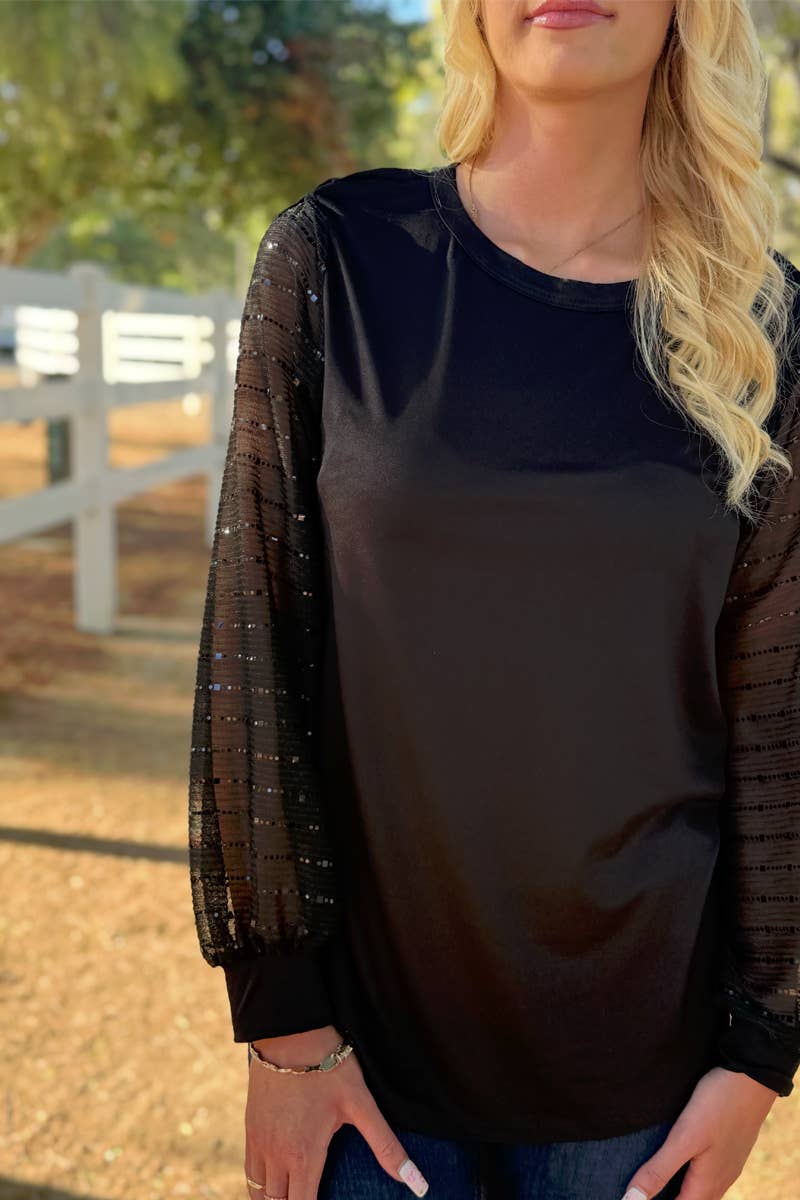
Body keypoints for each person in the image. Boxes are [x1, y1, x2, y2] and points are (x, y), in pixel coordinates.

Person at [187, 1, 800, 1198]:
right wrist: (285, 1023)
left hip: (639, 1094)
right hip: (362, 1077)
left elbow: (780, 712)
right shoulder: (336, 260)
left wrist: (758, 1052)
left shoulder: (767, 334)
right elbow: (254, 641)